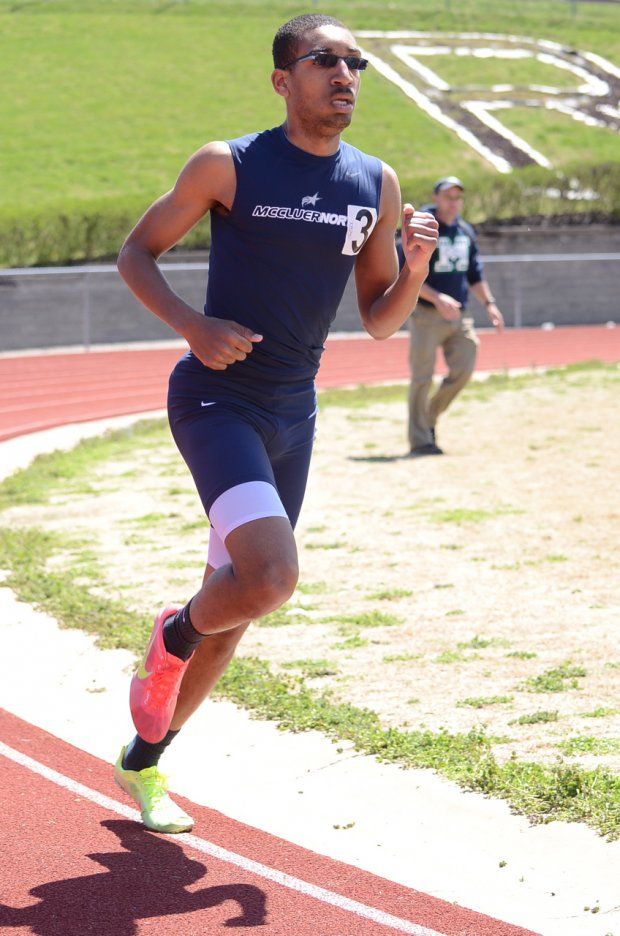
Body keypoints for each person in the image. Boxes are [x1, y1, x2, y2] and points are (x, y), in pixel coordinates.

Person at [114, 12, 438, 833]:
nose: (345, 74)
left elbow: (377, 318)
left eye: (356, 62)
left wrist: (417, 267)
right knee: (269, 577)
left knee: (246, 604)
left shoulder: (375, 182)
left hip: (296, 411)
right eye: (324, 59)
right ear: (281, 79)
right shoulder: (230, 164)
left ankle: (145, 761)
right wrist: (193, 324)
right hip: (218, 400)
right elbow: (136, 252)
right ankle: (173, 631)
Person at [404, 176, 504, 456]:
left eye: (457, 197)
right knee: (422, 378)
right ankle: (420, 440)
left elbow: (475, 274)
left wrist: (490, 304)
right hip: (426, 315)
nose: (453, 202)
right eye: (448, 196)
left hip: (460, 316)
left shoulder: (464, 231)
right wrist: (437, 297)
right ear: (436, 198)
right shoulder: (423, 228)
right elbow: (407, 274)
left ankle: (429, 417)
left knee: (465, 366)